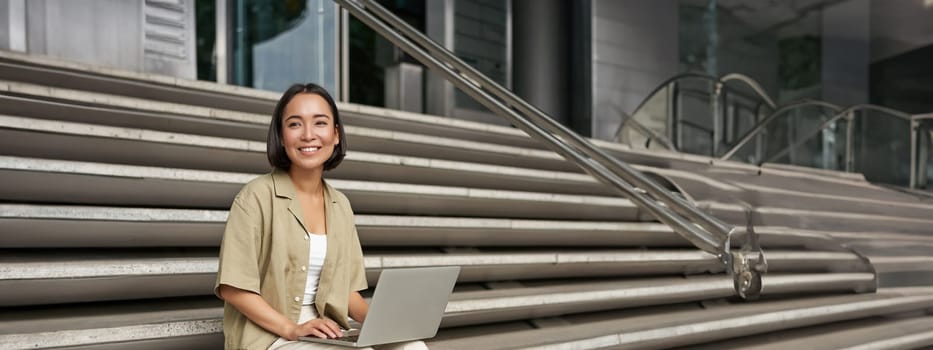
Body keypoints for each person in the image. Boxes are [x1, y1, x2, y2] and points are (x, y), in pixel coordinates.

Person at [215, 83, 429, 350]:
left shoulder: (341, 205)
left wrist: (384, 324)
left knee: (412, 347)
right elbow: (233, 288)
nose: (308, 135)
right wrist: (293, 328)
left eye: (320, 123)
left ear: (336, 134)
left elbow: (347, 292)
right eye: (295, 124)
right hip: (272, 334)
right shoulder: (255, 197)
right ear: (281, 136)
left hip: (326, 329)